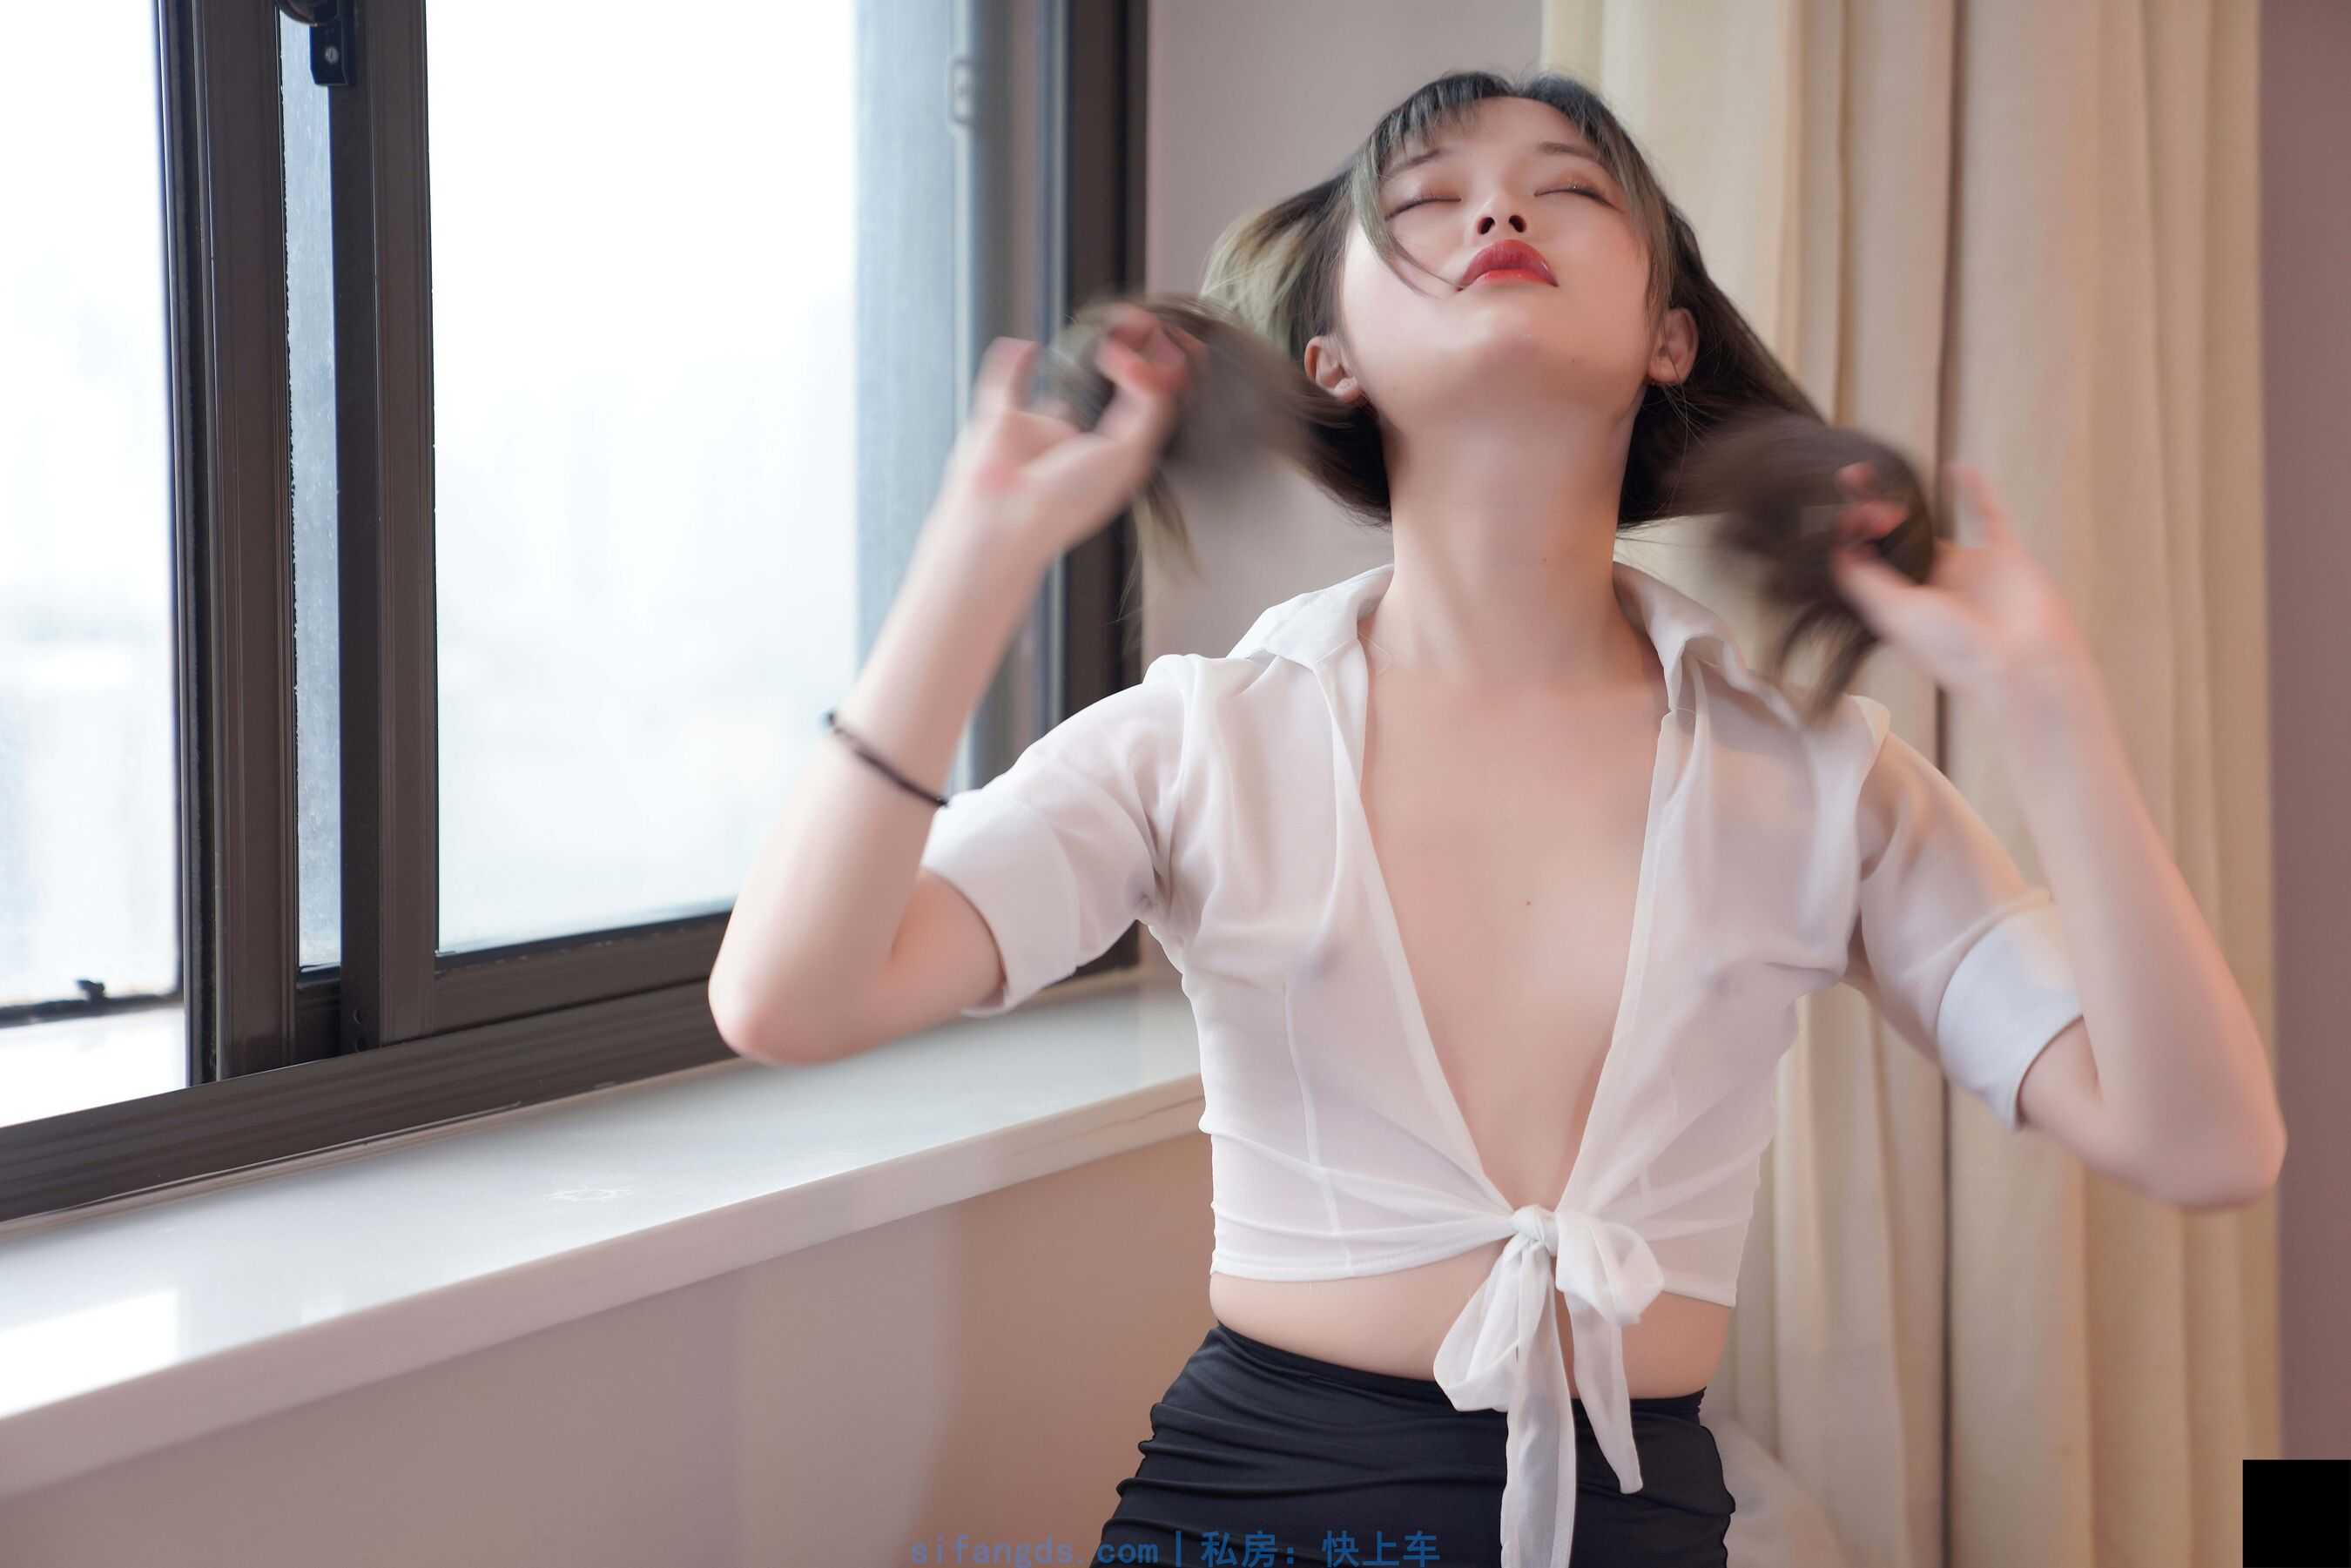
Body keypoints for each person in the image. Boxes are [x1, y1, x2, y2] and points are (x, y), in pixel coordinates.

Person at [711, 68, 2272, 1568]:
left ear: (1668, 338)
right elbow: (789, 997)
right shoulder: (1203, 741)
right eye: (1427, 199)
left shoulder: (1817, 778)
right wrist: (980, 554)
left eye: (1567, 190)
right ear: (1332, 354)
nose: (1497, 214)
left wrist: (2046, 700)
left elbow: (2206, 1142)